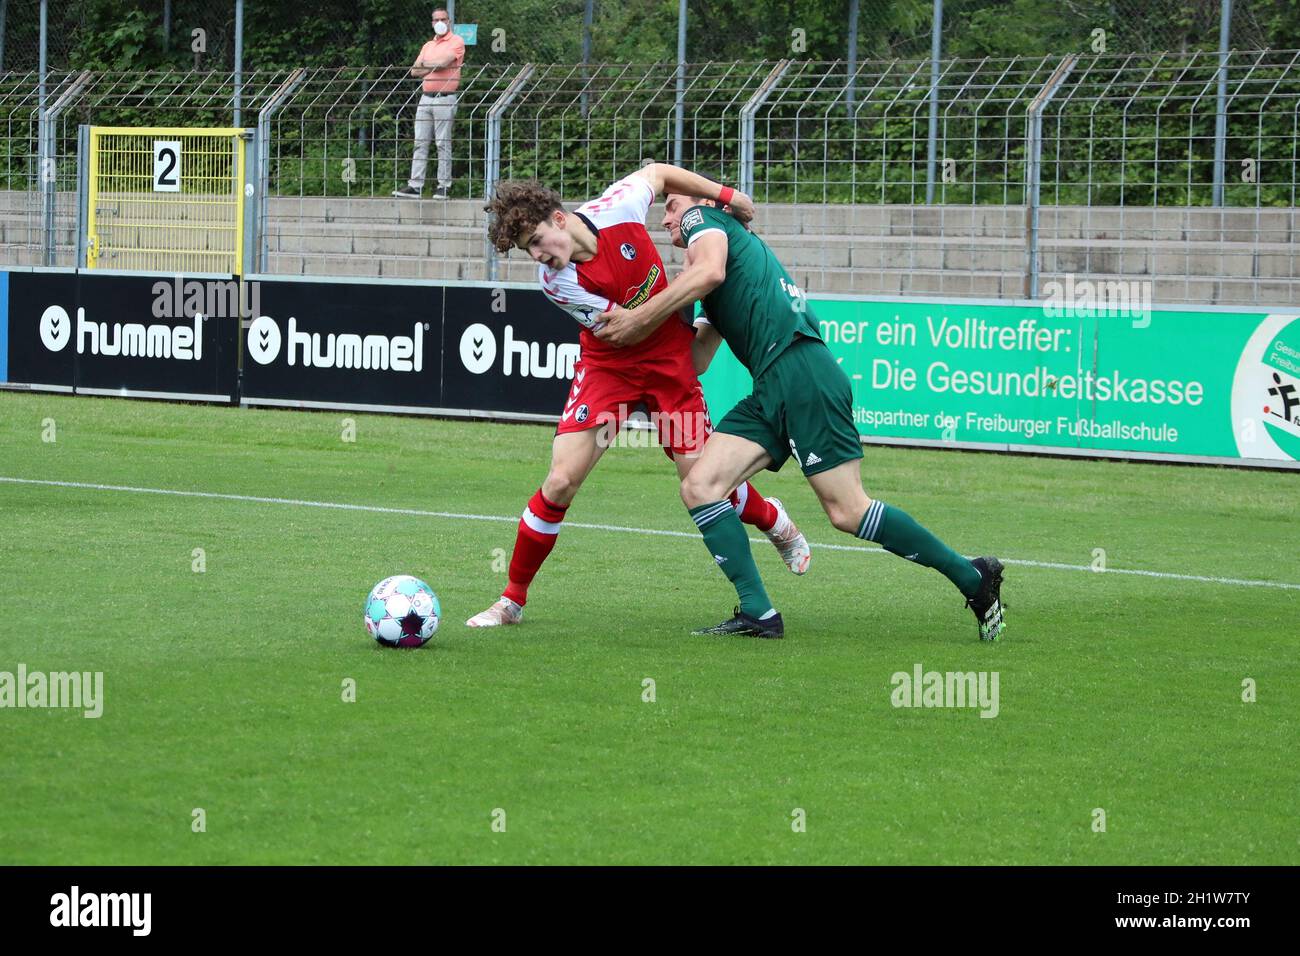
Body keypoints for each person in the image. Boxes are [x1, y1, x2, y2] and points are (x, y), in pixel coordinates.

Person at [594, 190, 1006, 641]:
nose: (666, 219)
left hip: (801, 372)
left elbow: (709, 270)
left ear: (703, 204)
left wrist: (643, 316)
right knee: (699, 486)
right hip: (772, 385)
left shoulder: (703, 223)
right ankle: (759, 614)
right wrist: (635, 361)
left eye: (670, 206)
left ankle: (974, 578)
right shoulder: (708, 276)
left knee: (848, 511)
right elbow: (696, 361)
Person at [465, 166, 811, 627]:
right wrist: (687, 292)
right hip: (611, 366)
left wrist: (729, 194)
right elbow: (628, 330)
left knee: (705, 485)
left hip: (669, 365)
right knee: (561, 481)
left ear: (560, 218)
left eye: (537, 239)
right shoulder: (557, 283)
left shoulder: (618, 208)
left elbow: (659, 173)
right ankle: (511, 600)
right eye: (528, 248)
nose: (538, 254)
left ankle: (772, 519)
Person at [392, 8, 465, 200]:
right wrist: (435, 65)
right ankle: (415, 186)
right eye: (436, 19)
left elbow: (445, 62)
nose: (440, 22)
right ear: (432, 23)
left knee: (442, 143)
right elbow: (414, 71)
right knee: (420, 143)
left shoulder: (456, 41)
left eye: (443, 19)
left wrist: (428, 65)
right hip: (426, 98)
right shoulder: (427, 45)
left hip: (445, 97)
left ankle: (444, 186)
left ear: (448, 21)